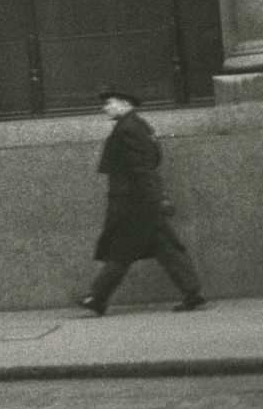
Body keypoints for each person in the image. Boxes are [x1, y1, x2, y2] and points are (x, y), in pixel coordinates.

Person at [81, 89, 207, 316]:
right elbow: (151, 160)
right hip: (142, 200)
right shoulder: (138, 126)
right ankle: (192, 292)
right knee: (164, 246)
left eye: (109, 104)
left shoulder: (127, 129)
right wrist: (157, 198)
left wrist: (155, 198)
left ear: (124, 104)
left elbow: (141, 167)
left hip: (133, 202)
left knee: (122, 249)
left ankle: (97, 297)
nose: (105, 108)